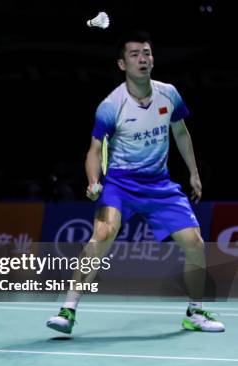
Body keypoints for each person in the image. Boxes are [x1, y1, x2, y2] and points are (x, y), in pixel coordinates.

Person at [46, 31, 224, 334]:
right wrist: (93, 181)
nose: (143, 59)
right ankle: (68, 309)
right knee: (102, 233)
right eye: (134, 54)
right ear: (121, 64)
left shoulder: (169, 94)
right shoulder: (110, 105)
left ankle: (195, 312)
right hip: (119, 183)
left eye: (147, 53)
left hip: (159, 184)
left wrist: (193, 172)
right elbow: (93, 151)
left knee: (195, 243)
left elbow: (181, 133)